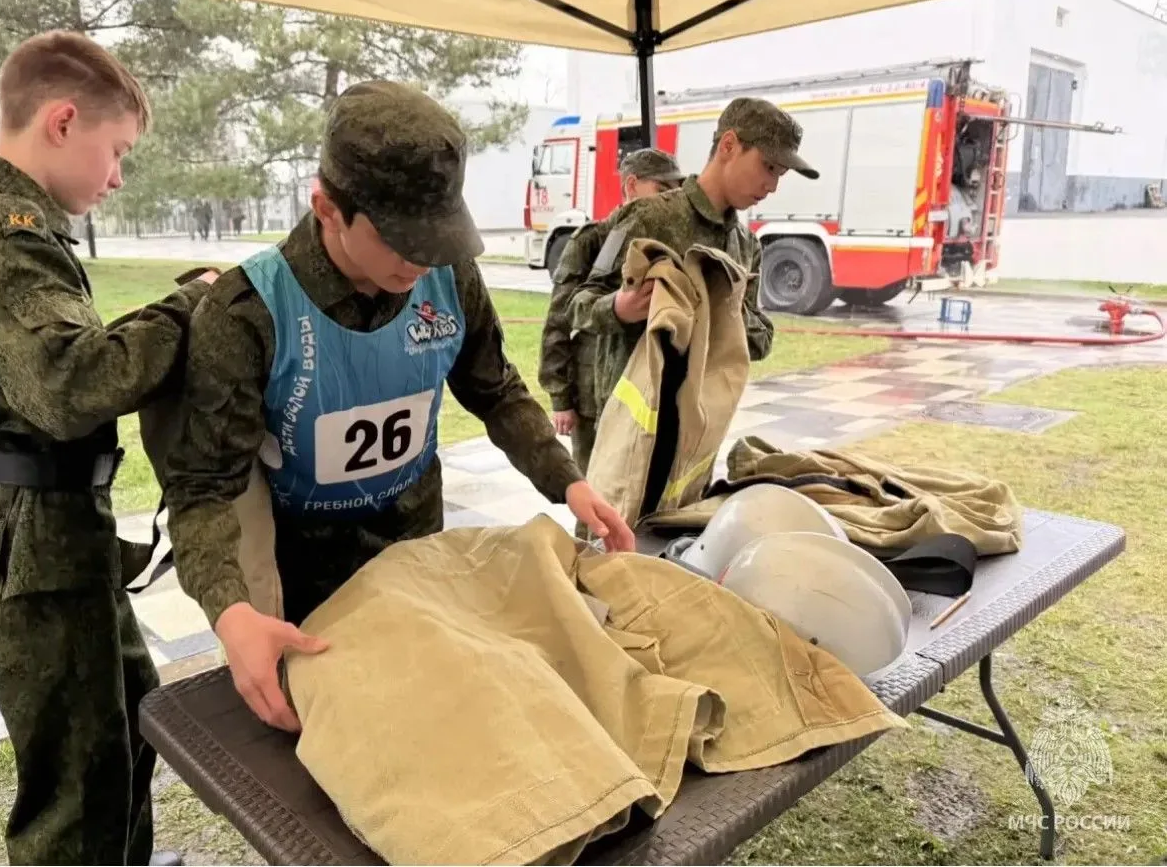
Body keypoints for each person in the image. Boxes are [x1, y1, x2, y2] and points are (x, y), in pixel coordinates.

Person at [160, 80, 636, 735]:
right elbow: (202, 489)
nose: (420, 259)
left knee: (430, 723)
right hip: (308, 583)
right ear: (326, 206)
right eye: (400, 236)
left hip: (417, 551)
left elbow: (494, 388)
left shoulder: (446, 273)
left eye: (436, 236)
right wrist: (232, 611)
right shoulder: (248, 313)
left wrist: (568, 481)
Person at [0, 30, 215, 867]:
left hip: (43, 526)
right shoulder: (1, 231)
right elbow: (73, 385)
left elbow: (48, 365)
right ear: (63, 120)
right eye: (115, 151)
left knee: (130, 721)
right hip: (29, 538)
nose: (116, 177)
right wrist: (188, 311)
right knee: (74, 786)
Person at [569, 97, 818, 426]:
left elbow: (760, 340)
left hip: (697, 432)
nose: (772, 186)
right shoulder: (647, 219)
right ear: (729, 145)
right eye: (768, 167)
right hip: (631, 432)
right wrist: (619, 307)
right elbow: (579, 305)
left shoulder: (746, 246)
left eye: (781, 174)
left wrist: (726, 314)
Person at [539, 147, 685, 472]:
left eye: (676, 191)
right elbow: (560, 320)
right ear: (631, 186)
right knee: (595, 490)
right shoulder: (597, 240)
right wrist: (561, 399)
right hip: (594, 396)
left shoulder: (674, 244)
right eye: (662, 190)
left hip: (652, 393)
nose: (671, 200)